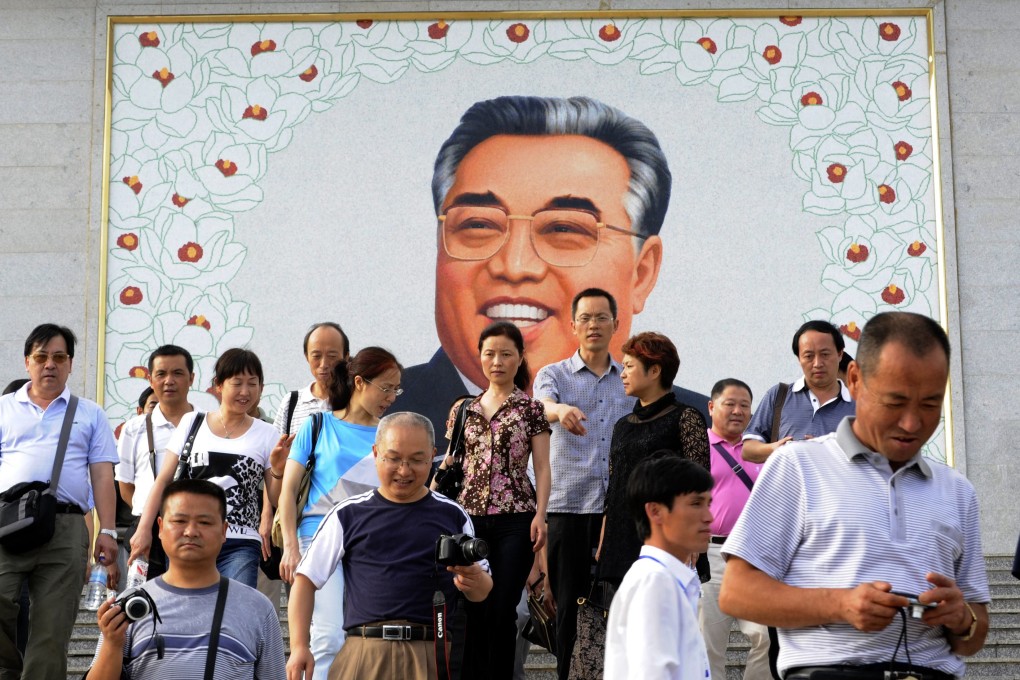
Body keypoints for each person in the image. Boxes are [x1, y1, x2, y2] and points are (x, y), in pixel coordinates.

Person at [391, 95, 709, 451]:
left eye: (564, 230)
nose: (514, 266)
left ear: (642, 272)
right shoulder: (378, 414)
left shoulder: (697, 427)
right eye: (479, 224)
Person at [720, 312, 990, 680]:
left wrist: (962, 619)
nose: (911, 423)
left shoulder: (959, 491)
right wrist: (841, 604)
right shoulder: (798, 466)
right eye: (895, 402)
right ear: (856, 381)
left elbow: (974, 632)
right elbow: (736, 592)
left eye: (929, 404)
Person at [288, 412, 493, 680]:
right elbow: (305, 581)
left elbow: (482, 591)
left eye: (417, 460)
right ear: (376, 453)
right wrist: (299, 646)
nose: (404, 470)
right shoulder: (347, 513)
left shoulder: (452, 514)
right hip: (364, 652)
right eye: (393, 458)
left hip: (431, 654)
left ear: (433, 455)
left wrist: (473, 579)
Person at [0, 323, 121, 679]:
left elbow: (102, 476)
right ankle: (9, 669)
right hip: (8, 520)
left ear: (70, 364)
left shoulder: (90, 413)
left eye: (58, 357)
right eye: (41, 357)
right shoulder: (4, 408)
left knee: (52, 630)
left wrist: (108, 531)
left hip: (66, 527)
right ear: (27, 362)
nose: (49, 365)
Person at [432, 321, 550, 680]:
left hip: (517, 519)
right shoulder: (464, 410)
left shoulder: (531, 410)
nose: (496, 361)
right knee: (471, 609)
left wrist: (541, 515)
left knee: (501, 608)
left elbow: (543, 468)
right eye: (489, 353)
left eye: (505, 354)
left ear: (519, 358)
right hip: (468, 520)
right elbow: (452, 463)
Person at [277, 347, 403, 680]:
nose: (391, 397)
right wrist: (291, 546)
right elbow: (288, 492)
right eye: (386, 388)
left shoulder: (390, 435)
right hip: (317, 538)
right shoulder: (317, 424)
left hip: (372, 545)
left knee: (363, 636)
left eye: (396, 390)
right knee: (328, 634)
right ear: (360, 382)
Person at [87, 479, 286, 679]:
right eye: (180, 521)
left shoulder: (257, 608)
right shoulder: (133, 604)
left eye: (205, 522)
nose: (191, 531)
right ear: (161, 527)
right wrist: (112, 643)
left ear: (224, 531)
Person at [533, 287, 633, 679]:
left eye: (601, 317)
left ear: (616, 324)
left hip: (617, 515)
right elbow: (539, 405)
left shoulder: (627, 378)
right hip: (568, 510)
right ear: (573, 325)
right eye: (585, 318)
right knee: (568, 612)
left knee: (620, 610)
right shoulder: (553, 374)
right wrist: (560, 411)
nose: (593, 325)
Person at [129, 348, 285, 588]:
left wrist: (277, 469)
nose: (245, 392)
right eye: (237, 383)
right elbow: (163, 481)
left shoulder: (267, 433)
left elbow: (275, 498)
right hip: (190, 537)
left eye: (253, 384)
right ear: (218, 385)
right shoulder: (193, 422)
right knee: (188, 610)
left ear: (261, 388)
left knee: (234, 610)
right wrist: (143, 530)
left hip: (241, 540)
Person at [597, 332, 709, 587]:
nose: (622, 374)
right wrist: (606, 528)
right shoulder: (622, 425)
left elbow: (699, 484)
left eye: (628, 366)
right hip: (621, 535)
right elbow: (614, 483)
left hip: (667, 535)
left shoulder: (686, 418)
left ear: (655, 370)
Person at [603, 455, 713, 680]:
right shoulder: (655, 582)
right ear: (655, 511)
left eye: (708, 504)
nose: (709, 517)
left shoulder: (666, 580)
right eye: (696, 503)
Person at [698, 379, 770, 680]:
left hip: (753, 558)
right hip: (710, 554)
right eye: (730, 404)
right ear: (712, 407)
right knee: (707, 646)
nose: (738, 411)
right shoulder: (697, 446)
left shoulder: (762, 451)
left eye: (744, 405)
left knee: (767, 638)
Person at [117, 345, 197, 580]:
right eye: (161, 374)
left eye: (178, 373)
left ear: (191, 379)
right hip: (147, 531)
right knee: (147, 604)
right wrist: (151, 516)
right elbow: (126, 487)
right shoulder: (134, 428)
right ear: (151, 380)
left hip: (194, 529)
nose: (169, 381)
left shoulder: (206, 423)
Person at [742, 320, 855, 463]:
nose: (817, 363)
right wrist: (778, 449)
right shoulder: (779, 395)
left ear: (840, 354)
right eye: (808, 356)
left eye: (825, 354)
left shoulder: (859, 404)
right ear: (798, 358)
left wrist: (828, 451)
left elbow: (874, 457)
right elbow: (748, 450)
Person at [273, 322, 350, 436]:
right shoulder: (292, 402)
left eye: (332, 356)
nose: (323, 364)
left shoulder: (354, 400)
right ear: (307, 357)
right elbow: (274, 448)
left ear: (346, 357)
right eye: (316, 356)